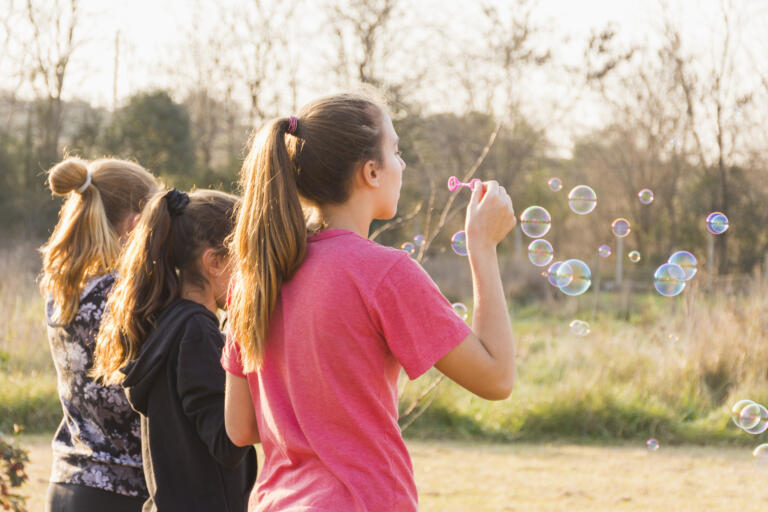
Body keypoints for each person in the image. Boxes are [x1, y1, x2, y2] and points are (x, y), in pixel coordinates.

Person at [222, 93, 517, 511]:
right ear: (372, 172)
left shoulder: (254, 277)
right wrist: (483, 248)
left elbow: (240, 426)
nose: (403, 165)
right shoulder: (382, 272)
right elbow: (497, 378)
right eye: (396, 151)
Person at [92, 188, 257, 512]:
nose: (252, 273)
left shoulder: (165, 324)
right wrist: (245, 334)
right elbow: (229, 441)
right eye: (247, 259)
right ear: (215, 262)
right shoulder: (197, 332)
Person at [39, 157, 159, 512]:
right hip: (120, 491)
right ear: (135, 225)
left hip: (67, 480)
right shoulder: (127, 299)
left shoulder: (64, 289)